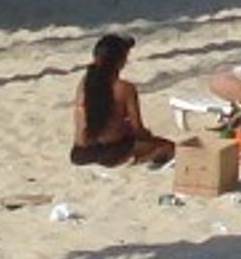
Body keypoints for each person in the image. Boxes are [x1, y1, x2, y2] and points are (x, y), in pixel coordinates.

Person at [67, 33, 175, 169]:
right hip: (111, 153)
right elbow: (138, 130)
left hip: (80, 154)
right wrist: (147, 135)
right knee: (168, 147)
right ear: (121, 62)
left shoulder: (84, 84)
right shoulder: (125, 88)